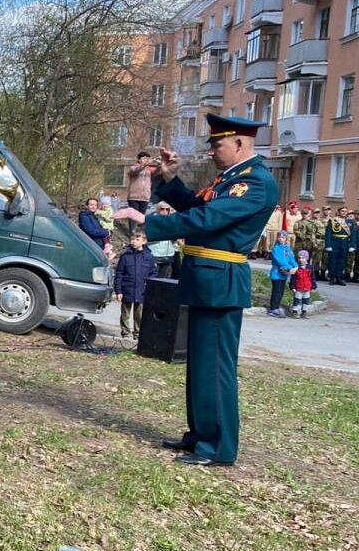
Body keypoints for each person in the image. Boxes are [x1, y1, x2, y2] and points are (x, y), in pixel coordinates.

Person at [114, 113, 277, 467]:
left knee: (215, 366)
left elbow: (208, 220)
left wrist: (150, 222)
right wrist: (171, 180)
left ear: (239, 144)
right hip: (206, 276)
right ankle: (200, 435)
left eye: (217, 145)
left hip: (221, 279)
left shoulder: (255, 182)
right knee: (199, 364)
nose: (212, 152)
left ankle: (217, 447)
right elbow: (198, 206)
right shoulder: (231, 178)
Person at [114, 230, 156, 338]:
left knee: (139, 314)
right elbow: (119, 274)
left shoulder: (149, 257)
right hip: (127, 288)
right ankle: (125, 332)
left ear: (144, 241)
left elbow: (153, 273)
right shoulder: (125, 256)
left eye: (137, 240)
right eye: (132, 239)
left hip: (142, 290)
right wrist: (118, 291)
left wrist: (149, 286)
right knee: (125, 313)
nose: (134, 242)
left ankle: (137, 333)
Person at [268, 230, 297, 318]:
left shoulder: (287, 248)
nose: (281, 239)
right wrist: (289, 268)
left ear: (285, 239)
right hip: (276, 274)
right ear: (277, 238)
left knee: (281, 292)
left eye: (283, 237)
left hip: (284, 275)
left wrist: (295, 266)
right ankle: (273, 308)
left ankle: (277, 306)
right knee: (276, 291)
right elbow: (280, 261)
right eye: (279, 237)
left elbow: (291, 258)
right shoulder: (276, 249)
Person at [147, 203, 178, 278]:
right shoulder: (151, 220)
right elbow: (148, 237)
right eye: (162, 209)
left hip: (168, 255)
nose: (165, 211)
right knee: (152, 279)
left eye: (167, 209)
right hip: (155, 254)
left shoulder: (172, 222)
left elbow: (175, 238)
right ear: (158, 210)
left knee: (163, 279)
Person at [324, 207, 351, 286]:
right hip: (335, 242)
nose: (344, 212)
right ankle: (332, 278)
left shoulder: (349, 221)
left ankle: (339, 277)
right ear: (339, 212)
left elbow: (352, 234)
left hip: (345, 243)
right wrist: (328, 245)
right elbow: (328, 233)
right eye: (342, 211)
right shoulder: (332, 220)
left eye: (345, 211)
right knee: (333, 260)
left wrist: (352, 245)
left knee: (342, 261)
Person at [126, 152, 155, 217]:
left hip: (145, 197)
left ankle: (140, 227)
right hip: (134, 197)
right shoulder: (133, 167)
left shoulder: (149, 170)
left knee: (141, 217)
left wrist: (161, 163)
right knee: (133, 217)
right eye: (144, 158)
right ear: (139, 160)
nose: (146, 160)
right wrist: (145, 165)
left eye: (147, 159)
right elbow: (137, 170)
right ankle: (132, 227)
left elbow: (158, 172)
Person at [290, 249, 317, 318]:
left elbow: (312, 278)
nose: (300, 260)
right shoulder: (296, 268)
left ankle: (304, 312)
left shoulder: (310, 268)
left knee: (306, 300)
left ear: (307, 259)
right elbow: (293, 278)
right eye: (299, 258)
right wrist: (292, 287)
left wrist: (313, 286)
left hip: (307, 288)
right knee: (297, 300)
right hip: (298, 288)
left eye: (303, 258)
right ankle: (295, 312)